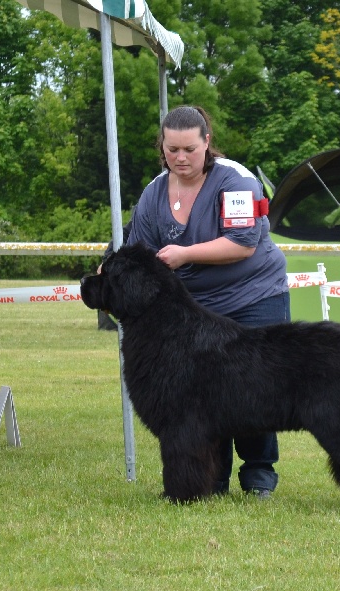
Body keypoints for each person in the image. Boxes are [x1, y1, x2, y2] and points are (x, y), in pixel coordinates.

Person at [121, 105, 290, 499]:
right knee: (203, 395)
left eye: (190, 149)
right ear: (161, 146)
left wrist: (184, 254)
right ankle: (211, 477)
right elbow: (138, 250)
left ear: (207, 143)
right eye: (172, 149)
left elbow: (242, 244)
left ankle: (259, 475)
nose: (180, 158)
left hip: (254, 295)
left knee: (256, 388)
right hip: (195, 307)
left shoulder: (237, 181)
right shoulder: (152, 193)